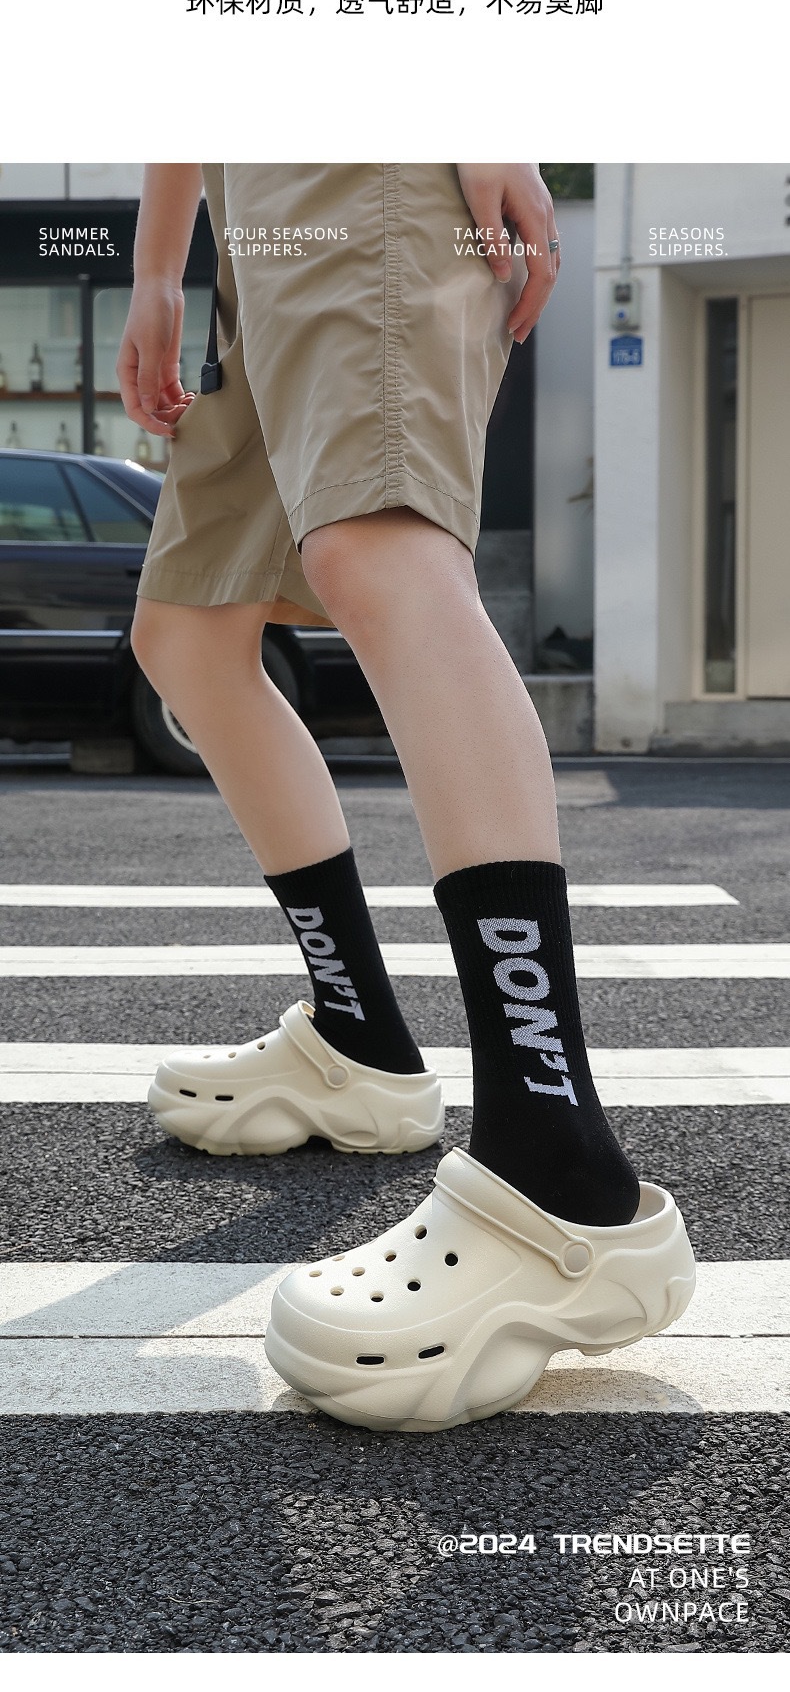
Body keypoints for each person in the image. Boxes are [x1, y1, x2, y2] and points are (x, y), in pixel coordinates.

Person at [117, 163, 695, 1432]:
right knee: (189, 634)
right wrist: (161, 263)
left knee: (377, 547)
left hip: (364, 154)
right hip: (253, 217)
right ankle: (359, 1043)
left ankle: (557, 1171)